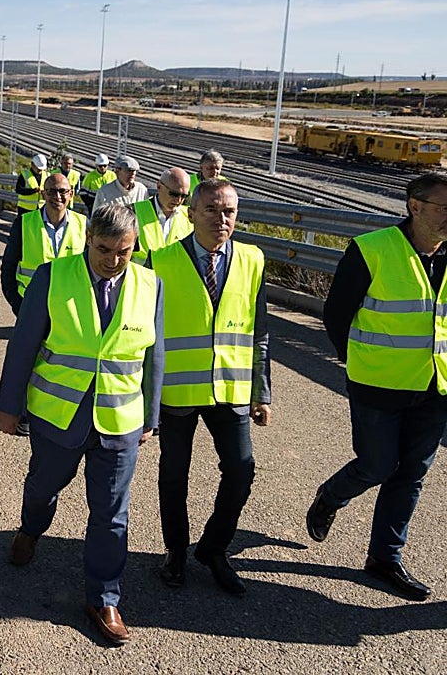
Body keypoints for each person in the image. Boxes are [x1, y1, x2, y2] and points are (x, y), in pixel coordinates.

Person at [0, 203, 163, 646]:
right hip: (57, 415)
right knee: (43, 486)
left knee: (111, 512)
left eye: (123, 251)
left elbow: (153, 357)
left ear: (135, 247)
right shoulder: (53, 278)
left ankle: (104, 597)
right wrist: (8, 405)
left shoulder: (150, 285)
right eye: (104, 249)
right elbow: (23, 346)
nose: (113, 260)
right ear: (88, 237)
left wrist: (151, 416)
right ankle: (30, 529)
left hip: (120, 420)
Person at [306, 171, 447, 602]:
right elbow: (336, 315)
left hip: (435, 386)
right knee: (377, 465)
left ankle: (384, 557)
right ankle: (331, 495)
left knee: (412, 475)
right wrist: (359, 362)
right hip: (378, 386)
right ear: (415, 206)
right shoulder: (372, 249)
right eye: (445, 208)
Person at [150, 180, 271, 596]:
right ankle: (176, 552)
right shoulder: (161, 261)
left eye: (230, 211)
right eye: (213, 210)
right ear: (191, 213)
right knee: (173, 476)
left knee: (241, 471)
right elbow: (144, 333)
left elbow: (260, 332)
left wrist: (261, 390)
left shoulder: (253, 259)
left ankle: (214, 549)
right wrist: (146, 400)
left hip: (231, 389)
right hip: (178, 392)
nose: (223, 219)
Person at [0, 173, 87, 317]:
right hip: (32, 305)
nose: (57, 196)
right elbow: (8, 267)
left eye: (62, 191)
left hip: (70, 309)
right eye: (51, 191)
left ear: (71, 194)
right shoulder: (23, 223)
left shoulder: (84, 225)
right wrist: (17, 303)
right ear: (43, 194)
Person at [131, 167, 193, 264]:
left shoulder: (190, 217)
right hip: (142, 277)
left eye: (184, 196)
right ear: (159, 187)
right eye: (174, 194)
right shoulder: (133, 212)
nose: (179, 200)